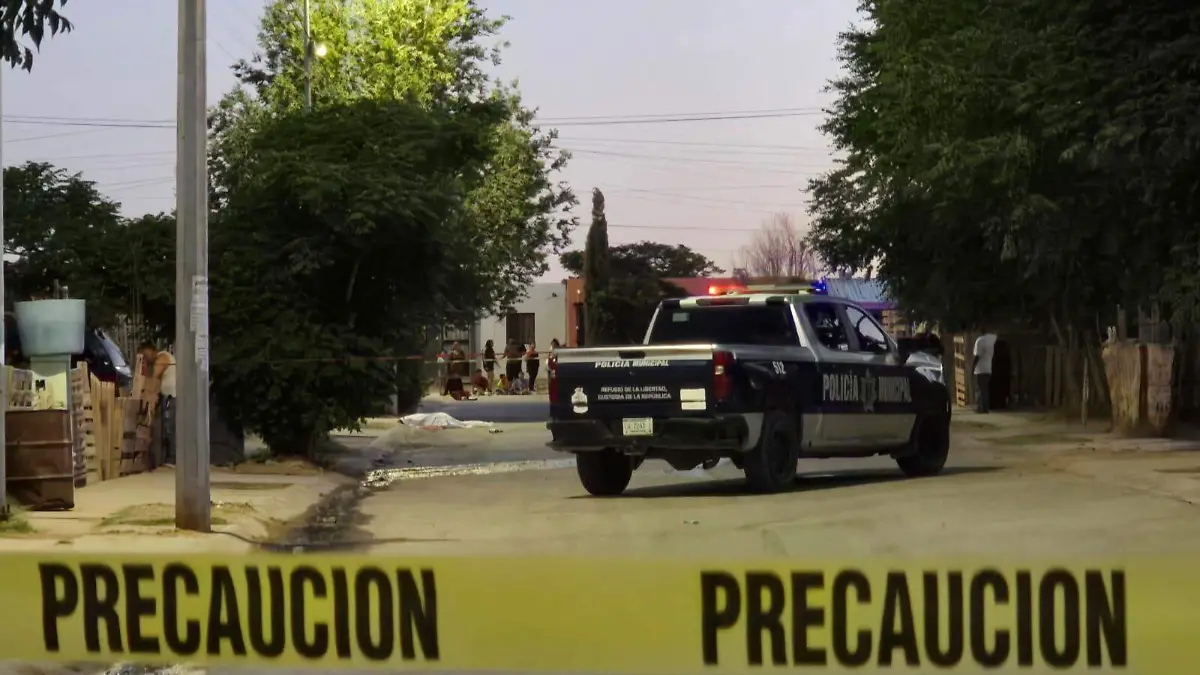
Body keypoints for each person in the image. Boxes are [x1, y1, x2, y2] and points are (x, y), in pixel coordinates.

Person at [138, 341, 177, 467]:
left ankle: (173, 458)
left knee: (170, 427)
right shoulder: (158, 360)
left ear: (153, 350)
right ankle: (169, 458)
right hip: (166, 398)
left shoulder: (163, 357)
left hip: (174, 397)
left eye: (145, 355)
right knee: (166, 428)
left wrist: (142, 390)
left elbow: (153, 377)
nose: (145, 358)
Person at [972, 328, 998, 413]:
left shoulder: (980, 341)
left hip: (981, 368)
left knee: (981, 389)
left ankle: (982, 408)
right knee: (985, 389)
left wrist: (972, 367)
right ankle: (985, 407)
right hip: (989, 367)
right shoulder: (993, 339)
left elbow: (977, 356)